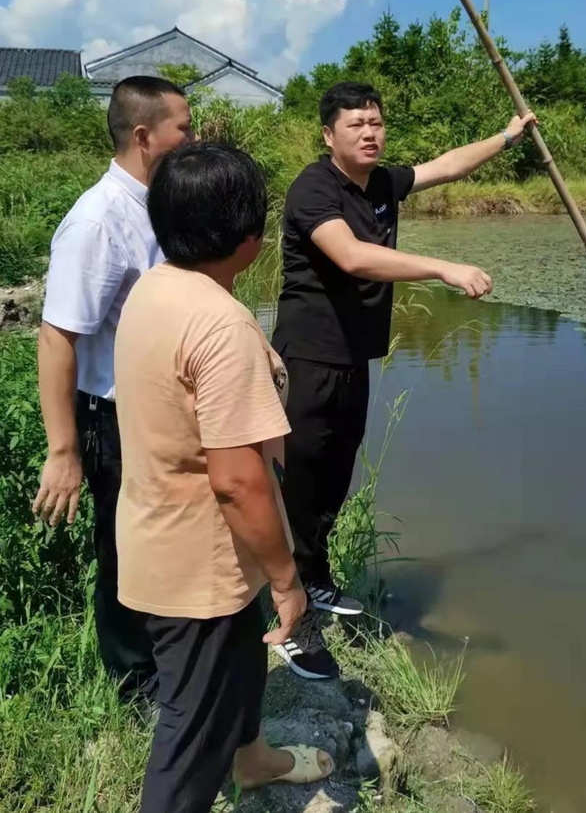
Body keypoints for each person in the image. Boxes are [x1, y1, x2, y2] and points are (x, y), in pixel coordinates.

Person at [271, 81, 537, 679]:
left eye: (376, 123)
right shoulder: (314, 189)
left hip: (352, 361)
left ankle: (312, 580)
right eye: (355, 124)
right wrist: (443, 267)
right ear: (328, 135)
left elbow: (444, 167)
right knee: (298, 485)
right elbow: (354, 257)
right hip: (309, 361)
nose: (369, 133)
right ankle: (286, 613)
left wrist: (506, 137)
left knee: (335, 479)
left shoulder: (382, 183)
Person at [115, 142, 333, 813]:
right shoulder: (220, 325)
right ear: (249, 236)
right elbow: (239, 481)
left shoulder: (157, 286)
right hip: (198, 567)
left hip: (164, 534)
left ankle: (255, 761)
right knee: (190, 730)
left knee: (239, 665)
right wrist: (287, 579)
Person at [33, 75, 196, 699]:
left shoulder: (158, 203)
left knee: (163, 537)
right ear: (143, 135)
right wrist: (64, 449)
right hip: (114, 418)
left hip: (161, 411)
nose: (193, 136)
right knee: (125, 547)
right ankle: (133, 681)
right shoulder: (98, 221)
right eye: (184, 126)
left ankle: (171, 658)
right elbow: (57, 338)